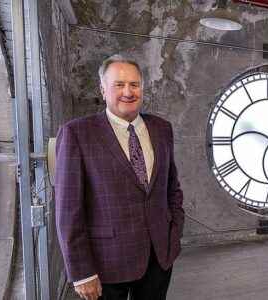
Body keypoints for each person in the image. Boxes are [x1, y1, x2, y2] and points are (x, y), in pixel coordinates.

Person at [55, 54, 184, 300]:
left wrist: (174, 233)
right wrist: (81, 272)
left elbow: (171, 187)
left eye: (134, 85)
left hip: (159, 258)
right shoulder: (76, 134)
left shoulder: (161, 128)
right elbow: (68, 209)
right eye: (119, 85)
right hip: (105, 264)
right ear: (103, 90)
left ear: (142, 88)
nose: (128, 92)